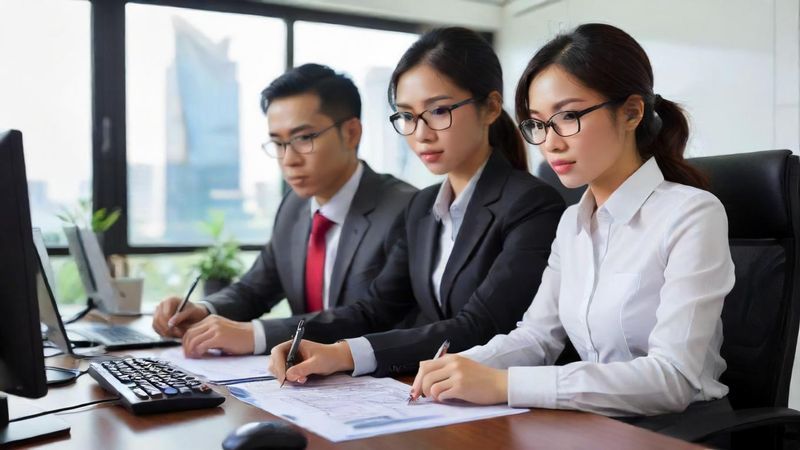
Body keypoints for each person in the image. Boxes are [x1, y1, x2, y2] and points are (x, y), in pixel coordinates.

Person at [410, 23, 736, 420]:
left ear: (632, 112)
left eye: (567, 116)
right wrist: (462, 365)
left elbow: (673, 377)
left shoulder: (691, 214)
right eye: (538, 123)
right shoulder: (571, 223)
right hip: (593, 421)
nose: (550, 142)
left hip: (680, 428)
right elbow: (536, 337)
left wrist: (504, 384)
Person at [267, 27, 565, 383]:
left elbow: (480, 326)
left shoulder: (532, 204)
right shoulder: (422, 207)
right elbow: (375, 309)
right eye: (407, 116)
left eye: (438, 111)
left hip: (510, 400)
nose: (421, 133)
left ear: (490, 107)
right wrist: (298, 341)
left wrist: (344, 353)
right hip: (442, 395)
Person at [152, 63, 417, 357]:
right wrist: (203, 310)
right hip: (300, 381)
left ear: (352, 133)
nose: (288, 159)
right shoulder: (294, 205)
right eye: (278, 143)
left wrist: (256, 335)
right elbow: (255, 289)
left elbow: (371, 317)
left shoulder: (404, 209)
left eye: (304, 138)